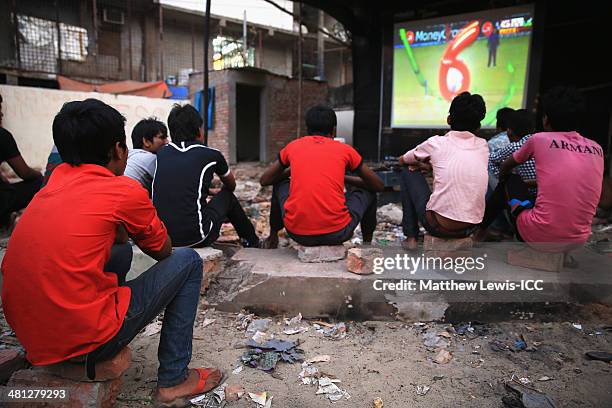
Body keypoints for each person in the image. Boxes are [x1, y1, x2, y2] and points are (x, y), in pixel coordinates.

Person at [1, 99, 222, 406]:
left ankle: (76, 331)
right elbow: (164, 250)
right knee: (188, 261)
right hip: (85, 342)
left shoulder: (47, 189)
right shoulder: (124, 190)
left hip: (32, 338)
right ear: (119, 150)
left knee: (119, 252)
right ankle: (173, 379)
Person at [484, 86, 604, 250]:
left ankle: (480, 231)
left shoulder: (539, 139)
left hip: (539, 236)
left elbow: (506, 165)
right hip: (577, 240)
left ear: (546, 120)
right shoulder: (596, 148)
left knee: (510, 179)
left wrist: (505, 183)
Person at [260, 105, 384, 248]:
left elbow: (265, 180)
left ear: (307, 129)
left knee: (280, 183)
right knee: (368, 190)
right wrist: (344, 177)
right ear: (334, 130)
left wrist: (291, 168)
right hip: (338, 233)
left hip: (298, 233)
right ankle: (367, 245)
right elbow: (378, 185)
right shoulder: (345, 150)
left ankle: (273, 237)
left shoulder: (293, 146)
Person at [152, 103, 259, 248]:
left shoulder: (162, 153)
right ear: (199, 131)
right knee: (227, 196)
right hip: (196, 237)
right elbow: (231, 185)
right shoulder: (211, 155)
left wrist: (206, 190)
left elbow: (178, 183)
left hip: (163, 237)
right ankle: (251, 241)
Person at [399, 92, 489, 249]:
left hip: (439, 226)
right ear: (479, 125)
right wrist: (430, 166)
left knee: (407, 170)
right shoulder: (483, 146)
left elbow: (404, 159)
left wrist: (420, 163)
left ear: (449, 119)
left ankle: (411, 237)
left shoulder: (436, 143)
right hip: (471, 228)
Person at [0, 93, 43, 228]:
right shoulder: (3, 136)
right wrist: (39, 174)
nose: (2, 115)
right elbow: (24, 173)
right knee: (39, 182)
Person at [125, 117, 169, 193]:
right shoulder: (150, 159)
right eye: (162, 138)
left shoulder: (131, 156)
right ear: (146, 141)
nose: (167, 142)